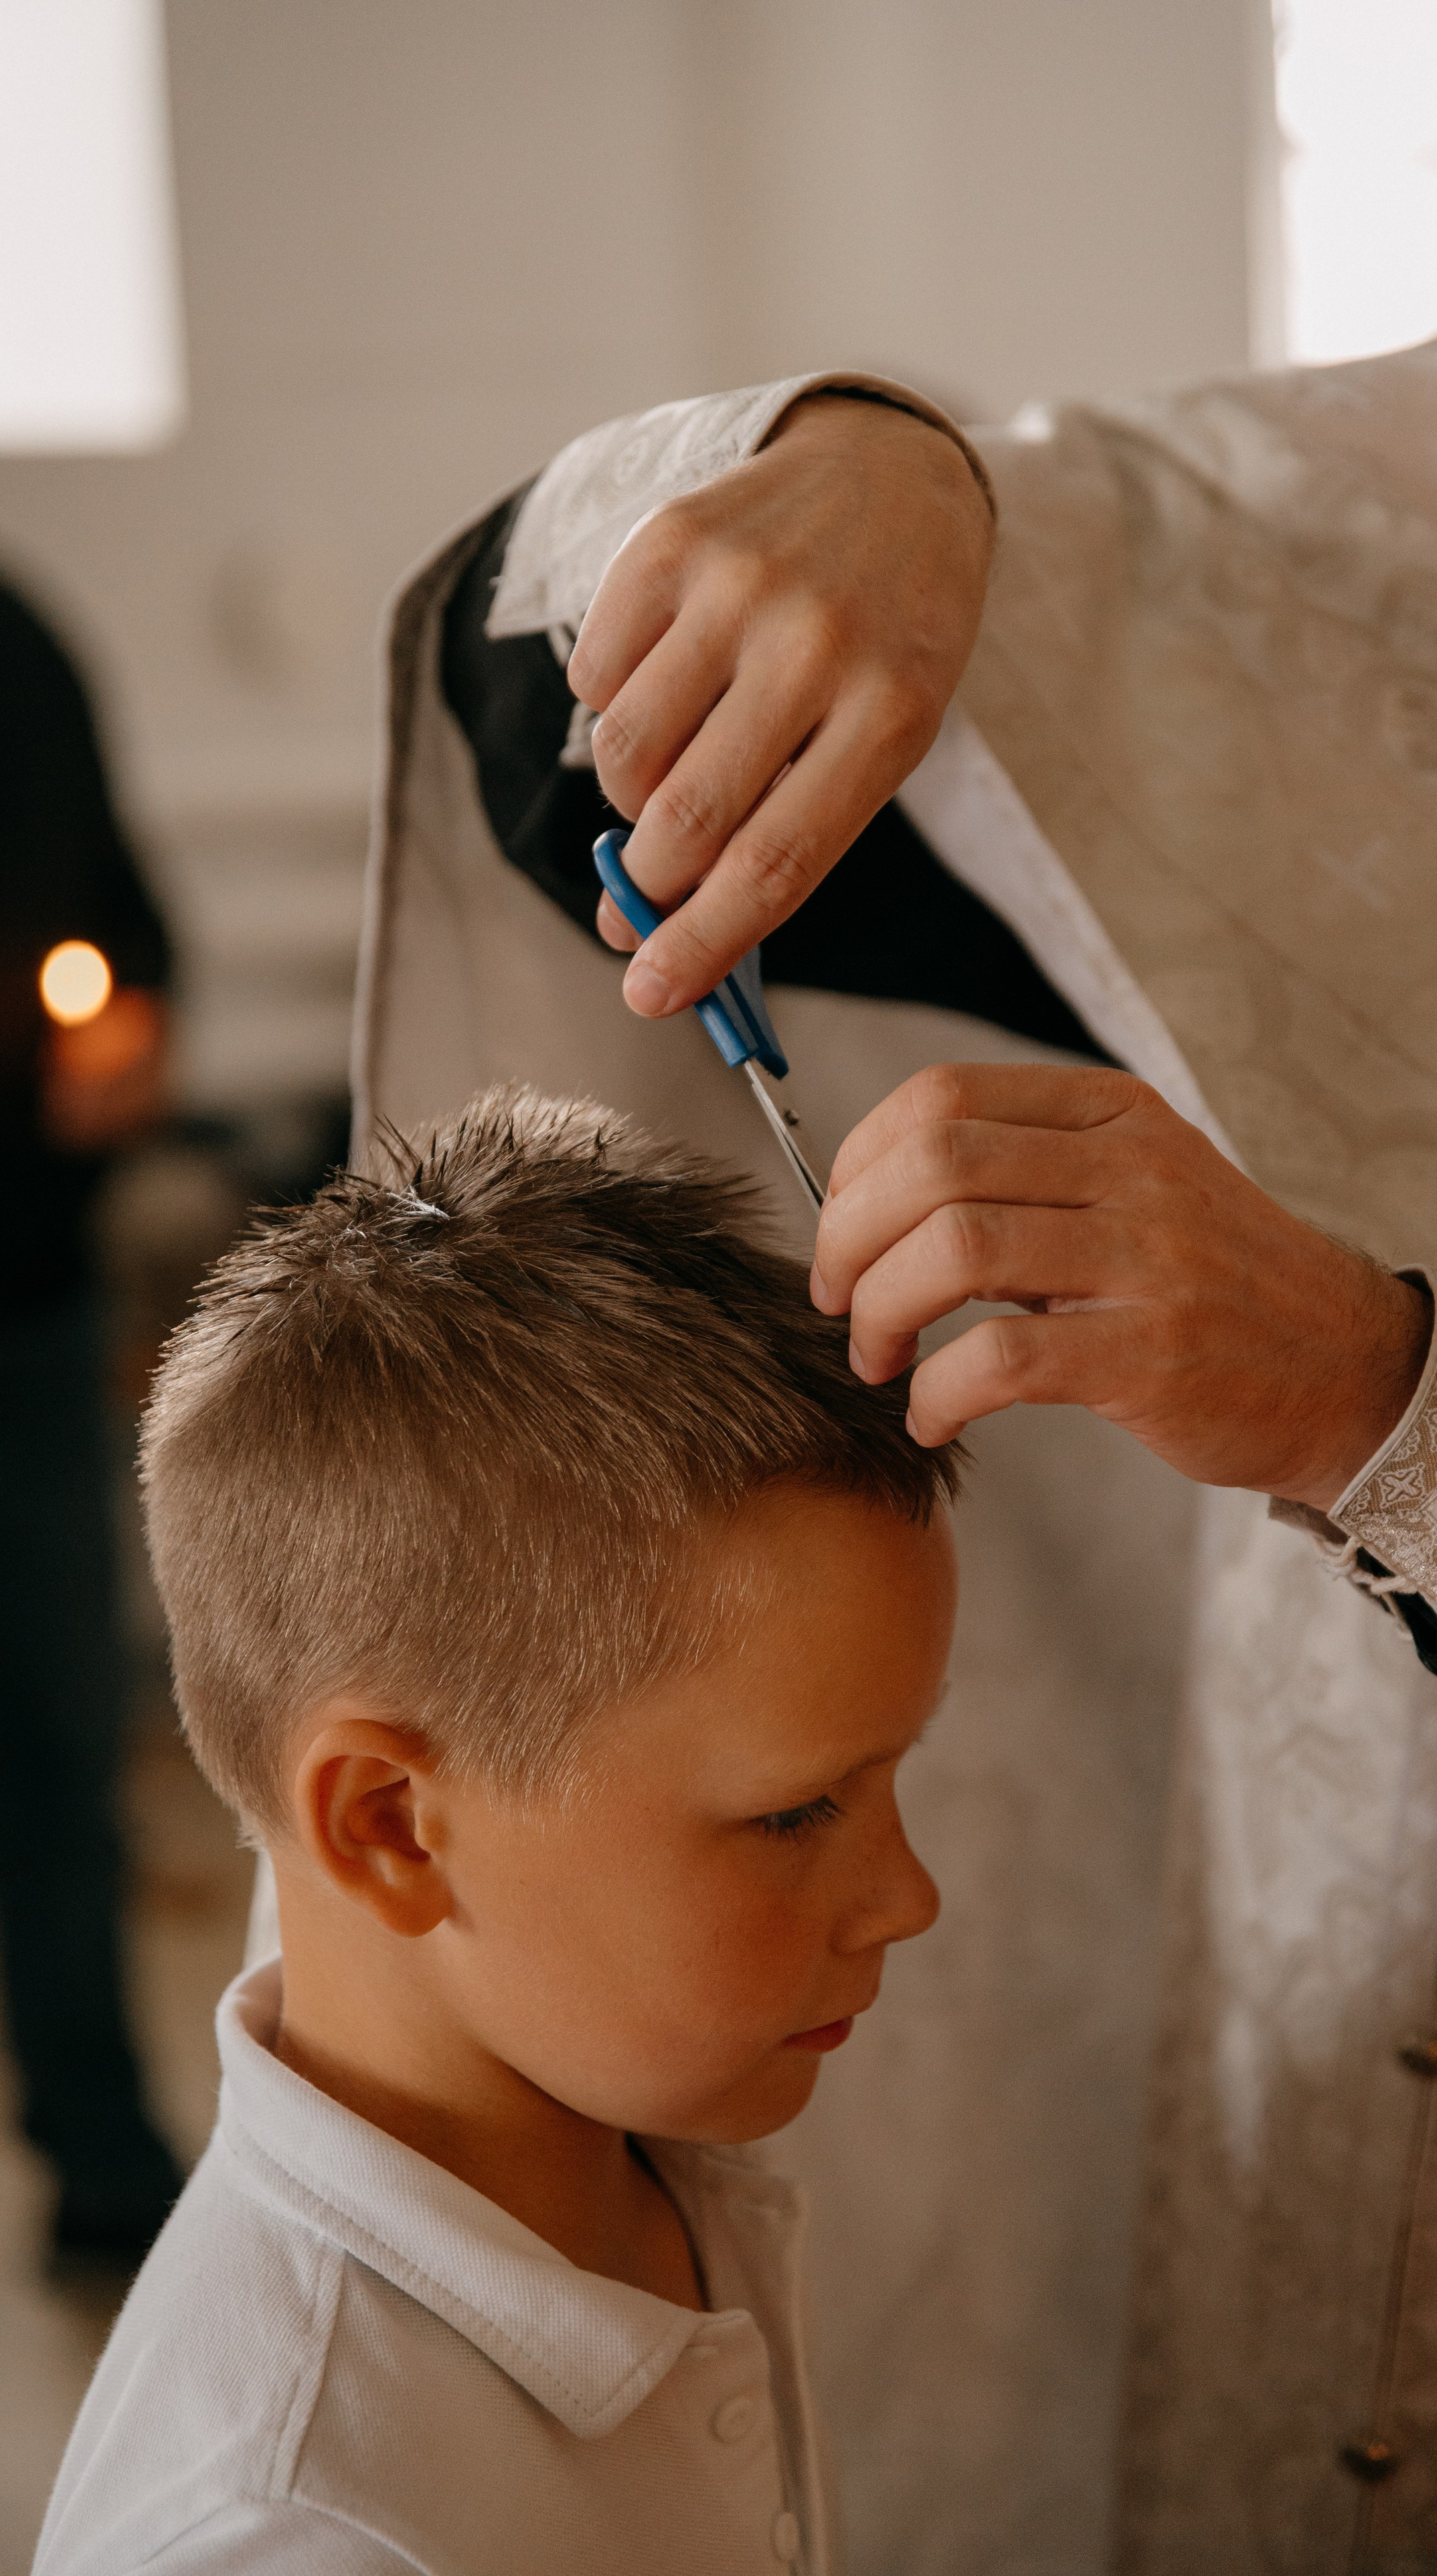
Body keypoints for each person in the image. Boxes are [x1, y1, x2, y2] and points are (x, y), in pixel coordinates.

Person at [351, 256, 1437, 2573]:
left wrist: (1384, 1391)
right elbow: (540, 688)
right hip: (1268, 2103)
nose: (909, 1894)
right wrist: (875, 467)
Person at [35, 1084, 955, 2576]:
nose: (909, 1897)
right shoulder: (298, 2531)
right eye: (796, 1810)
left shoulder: (643, 2143)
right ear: (391, 1827)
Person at [0, 574, 180, 2275]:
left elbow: (118, 911)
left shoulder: (24, 654)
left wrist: (133, 1022)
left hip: (21, 1301)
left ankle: (105, 2146)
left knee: (60, 1743)